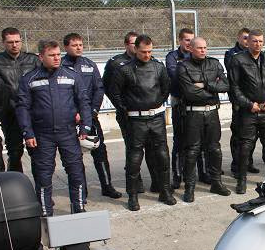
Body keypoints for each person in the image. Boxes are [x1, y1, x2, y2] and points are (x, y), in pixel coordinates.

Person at [16, 40, 91, 216]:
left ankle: (78, 207)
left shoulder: (71, 76)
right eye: (52, 55)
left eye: (58, 54)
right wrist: (28, 132)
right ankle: (45, 211)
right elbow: (22, 108)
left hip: (68, 133)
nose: (57, 58)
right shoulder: (30, 79)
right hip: (43, 135)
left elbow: (83, 102)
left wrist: (86, 126)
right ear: (41, 57)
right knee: (43, 175)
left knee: (76, 171)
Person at [110, 35, 176, 211]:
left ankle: (165, 191)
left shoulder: (158, 67)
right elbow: (114, 92)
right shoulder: (124, 69)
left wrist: (156, 104)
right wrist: (126, 108)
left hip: (156, 118)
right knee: (134, 158)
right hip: (135, 120)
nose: (147, 55)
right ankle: (132, 196)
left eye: (150, 51)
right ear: (136, 50)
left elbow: (165, 88)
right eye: (143, 52)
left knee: (162, 156)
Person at [62, 33, 121, 199]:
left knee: (100, 152)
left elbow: (99, 89)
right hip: (70, 119)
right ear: (66, 47)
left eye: (80, 44)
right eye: (75, 45)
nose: (79, 47)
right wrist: (73, 113)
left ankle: (107, 186)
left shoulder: (89, 64)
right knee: (75, 157)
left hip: (90, 116)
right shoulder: (61, 66)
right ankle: (82, 190)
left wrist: (93, 110)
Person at [229, 29, 265, 194]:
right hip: (248, 112)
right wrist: (248, 104)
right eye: (254, 41)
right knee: (245, 146)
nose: (258, 44)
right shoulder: (237, 60)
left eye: (260, 41)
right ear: (248, 42)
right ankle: (241, 179)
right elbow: (234, 88)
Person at [177, 37, 231, 202]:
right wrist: (212, 91)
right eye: (199, 48)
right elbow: (189, 92)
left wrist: (205, 84)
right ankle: (190, 188)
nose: (203, 50)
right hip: (193, 114)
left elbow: (225, 86)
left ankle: (216, 182)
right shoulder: (183, 66)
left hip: (212, 113)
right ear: (191, 49)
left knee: (215, 149)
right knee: (192, 151)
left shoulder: (214, 64)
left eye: (205, 48)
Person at [103, 31, 159, 193]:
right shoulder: (116, 63)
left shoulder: (151, 62)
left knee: (152, 148)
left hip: (149, 116)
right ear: (127, 45)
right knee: (134, 149)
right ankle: (136, 183)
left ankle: (156, 180)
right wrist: (124, 108)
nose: (137, 48)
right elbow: (110, 89)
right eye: (134, 44)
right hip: (128, 116)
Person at [0, 27, 40, 172]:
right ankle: (15, 186)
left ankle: (40, 188)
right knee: (15, 152)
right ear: (3, 43)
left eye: (17, 41)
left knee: (37, 151)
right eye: (10, 42)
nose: (14, 45)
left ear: (21, 41)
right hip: (10, 113)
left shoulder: (32, 59)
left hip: (32, 113)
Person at [166, 28, 207, 188]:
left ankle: (203, 173)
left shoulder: (198, 58)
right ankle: (177, 175)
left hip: (196, 105)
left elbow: (207, 78)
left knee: (200, 141)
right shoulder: (172, 57)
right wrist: (193, 80)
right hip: (180, 104)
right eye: (187, 40)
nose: (190, 43)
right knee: (180, 141)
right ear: (180, 41)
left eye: (192, 40)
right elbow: (176, 76)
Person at [225, 28, 258, 177]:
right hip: (239, 100)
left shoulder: (254, 56)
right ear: (239, 38)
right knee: (238, 135)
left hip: (252, 100)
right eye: (244, 38)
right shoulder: (232, 54)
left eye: (248, 38)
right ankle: (236, 165)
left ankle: (247, 163)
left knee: (252, 135)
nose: (247, 41)